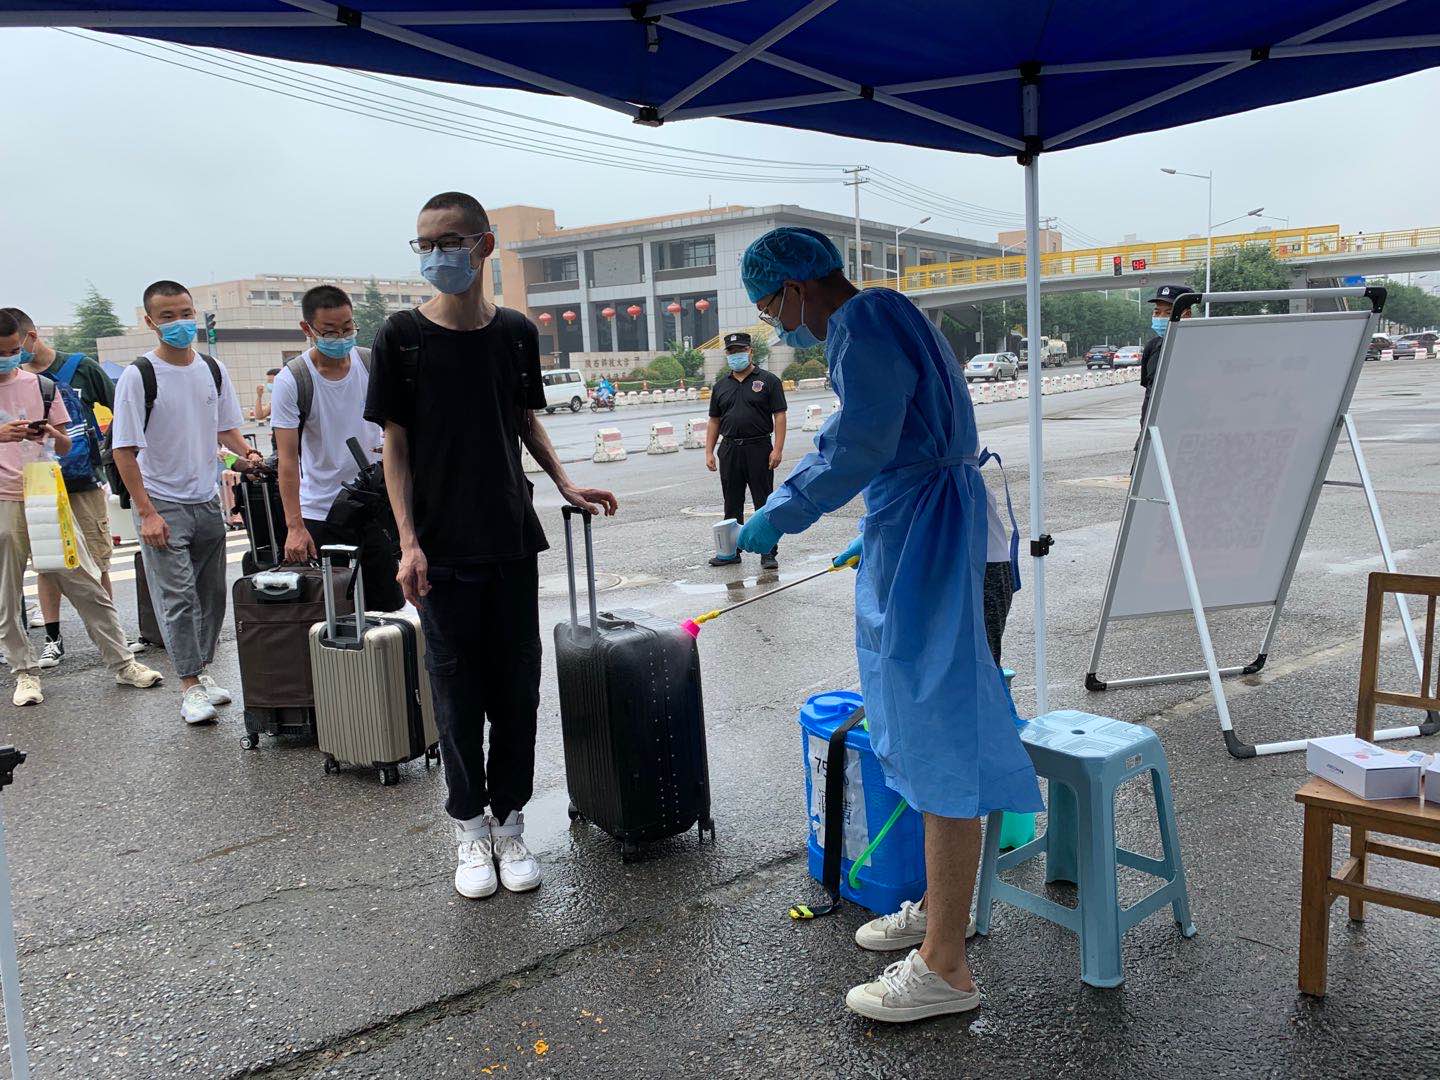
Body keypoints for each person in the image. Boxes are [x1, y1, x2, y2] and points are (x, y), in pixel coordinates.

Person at [733, 227, 1042, 1023]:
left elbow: (860, 441)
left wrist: (782, 509)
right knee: (923, 726)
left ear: (796, 286)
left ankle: (945, 966)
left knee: (940, 739)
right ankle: (941, 913)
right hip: (932, 524)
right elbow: (907, 433)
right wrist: (878, 526)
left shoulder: (861, 323)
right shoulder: (888, 309)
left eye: (769, 305)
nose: (775, 321)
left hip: (936, 540)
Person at [367, 191, 618, 901]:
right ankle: (469, 827)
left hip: (509, 538)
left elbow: (524, 420)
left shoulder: (514, 332)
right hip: (440, 550)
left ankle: (509, 822)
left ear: (483, 246)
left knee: (516, 691)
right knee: (455, 693)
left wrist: (565, 482)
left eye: (448, 241)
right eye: (423, 244)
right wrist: (408, 543)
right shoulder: (401, 337)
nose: (435, 255)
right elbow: (395, 446)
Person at [110, 280, 265, 725]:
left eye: (185, 314)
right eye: (168, 317)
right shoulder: (140, 375)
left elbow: (227, 429)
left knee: (211, 596)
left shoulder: (212, 369)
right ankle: (189, 685)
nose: (179, 323)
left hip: (206, 500)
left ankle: (202, 671)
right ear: (150, 322)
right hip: (162, 502)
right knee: (177, 597)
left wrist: (248, 456)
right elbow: (124, 450)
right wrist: (146, 512)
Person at [0, 310, 162, 705]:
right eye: (0, 352)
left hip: (45, 491)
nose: (8, 357)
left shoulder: (42, 386)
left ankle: (123, 662)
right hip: (4, 497)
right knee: (6, 593)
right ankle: (24, 672)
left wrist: (50, 434)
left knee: (85, 580)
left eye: (12, 349)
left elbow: (66, 444)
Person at [272, 285, 401, 611]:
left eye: (347, 328)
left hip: (375, 508)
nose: (341, 337)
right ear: (308, 329)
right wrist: (295, 527)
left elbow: (398, 426)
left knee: (388, 610)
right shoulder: (293, 380)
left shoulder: (371, 364)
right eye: (330, 331)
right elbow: (287, 461)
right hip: (323, 513)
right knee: (336, 615)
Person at [704, 331, 787, 570]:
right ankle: (730, 552)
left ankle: (768, 552)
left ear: (750, 351)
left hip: (759, 448)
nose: (735, 355)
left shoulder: (769, 381)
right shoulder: (721, 386)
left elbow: (779, 416)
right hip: (730, 449)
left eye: (740, 350)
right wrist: (709, 452)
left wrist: (777, 449)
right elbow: (714, 421)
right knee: (732, 503)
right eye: (731, 351)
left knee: (764, 502)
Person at [1138, 284, 1193, 449]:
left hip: (1186, 433)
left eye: (1168, 313)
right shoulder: (1152, 347)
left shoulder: (1199, 346)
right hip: (1152, 433)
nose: (1160, 317)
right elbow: (1149, 391)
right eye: (1157, 312)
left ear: (1187, 314)